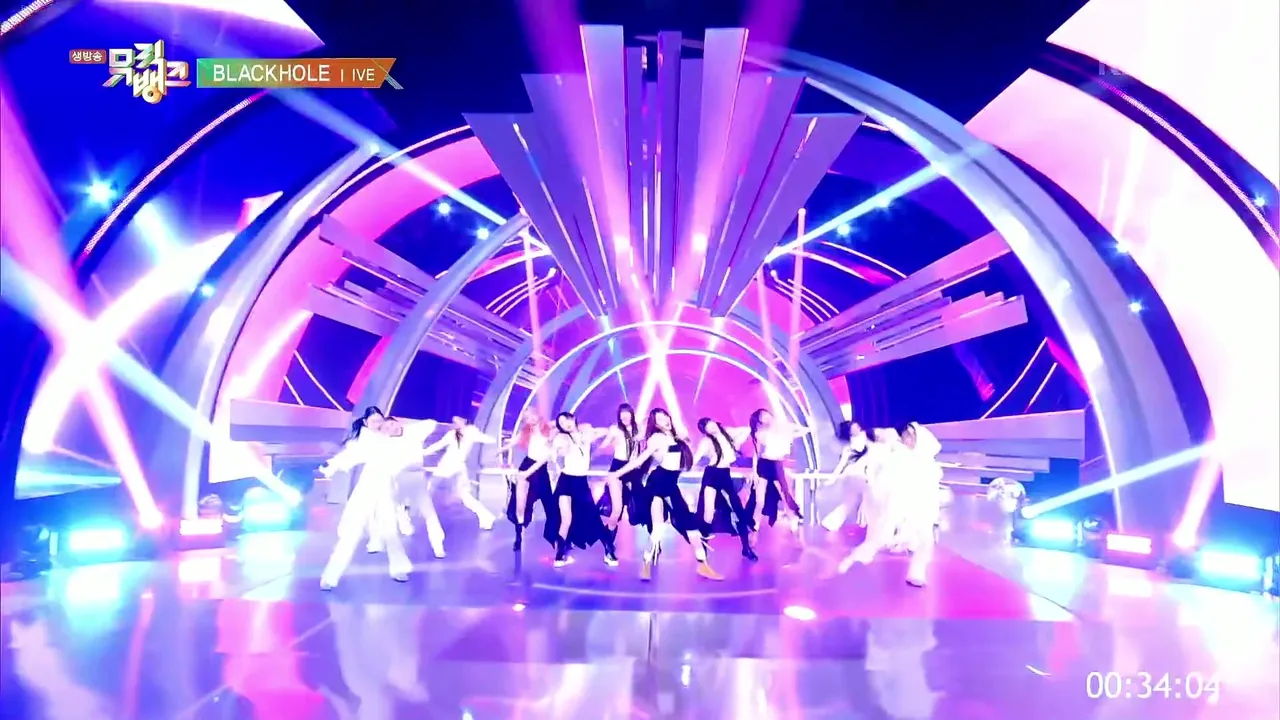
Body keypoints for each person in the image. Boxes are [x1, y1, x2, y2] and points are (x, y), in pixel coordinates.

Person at [317, 415, 439, 588]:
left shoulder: (402, 442)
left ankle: (399, 568)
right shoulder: (370, 443)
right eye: (383, 425)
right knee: (351, 534)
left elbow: (429, 425)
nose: (388, 428)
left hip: (385, 491)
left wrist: (403, 427)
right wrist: (330, 466)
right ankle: (330, 577)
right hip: (365, 491)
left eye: (389, 424)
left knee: (390, 532)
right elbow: (350, 456)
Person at [609, 408, 723, 581]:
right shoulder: (657, 438)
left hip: (671, 486)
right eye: (660, 419)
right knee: (658, 528)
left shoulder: (675, 436)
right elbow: (639, 460)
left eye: (666, 417)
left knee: (690, 525)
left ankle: (703, 565)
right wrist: (616, 474)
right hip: (657, 485)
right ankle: (646, 564)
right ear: (655, 424)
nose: (665, 421)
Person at [838, 423, 943, 587]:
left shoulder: (927, 463)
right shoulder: (897, 454)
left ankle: (917, 573)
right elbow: (884, 480)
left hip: (919, 507)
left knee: (925, 540)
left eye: (910, 436)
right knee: (880, 537)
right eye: (906, 434)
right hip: (898, 503)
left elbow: (930, 490)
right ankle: (854, 558)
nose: (905, 437)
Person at [544, 412, 615, 567]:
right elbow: (557, 451)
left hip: (581, 483)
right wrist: (556, 447)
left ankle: (609, 550)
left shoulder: (586, 432)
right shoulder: (562, 438)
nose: (566, 424)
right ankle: (559, 556)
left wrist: (608, 431)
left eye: (567, 420)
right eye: (562, 423)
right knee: (566, 519)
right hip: (565, 481)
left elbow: (602, 432)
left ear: (573, 418)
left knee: (593, 517)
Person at [692, 417, 757, 561]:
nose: (711, 427)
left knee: (738, 510)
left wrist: (736, 443)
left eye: (711, 423)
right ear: (705, 431)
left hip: (725, 475)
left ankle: (746, 548)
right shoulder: (707, 442)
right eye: (706, 427)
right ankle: (704, 545)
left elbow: (746, 430)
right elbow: (696, 457)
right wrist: (686, 465)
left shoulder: (728, 434)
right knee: (708, 513)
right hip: (712, 475)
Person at [422, 416, 498, 531]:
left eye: (457, 420)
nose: (455, 422)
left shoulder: (471, 432)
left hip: (456, 468)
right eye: (453, 421)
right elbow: (439, 445)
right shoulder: (452, 434)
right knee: (430, 488)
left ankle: (486, 516)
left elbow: (488, 439)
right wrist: (423, 452)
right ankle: (486, 516)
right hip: (446, 466)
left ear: (464, 420)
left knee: (463, 495)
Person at [746, 408, 811, 532]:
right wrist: (754, 472)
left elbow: (802, 431)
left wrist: (791, 427)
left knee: (784, 494)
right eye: (763, 417)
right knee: (760, 499)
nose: (767, 417)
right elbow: (756, 454)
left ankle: (793, 519)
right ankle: (755, 522)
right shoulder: (761, 433)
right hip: (764, 464)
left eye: (767, 414)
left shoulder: (783, 429)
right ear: (759, 421)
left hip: (777, 465)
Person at [504, 411, 557, 552]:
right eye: (526, 418)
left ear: (537, 414)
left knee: (549, 502)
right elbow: (513, 442)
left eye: (531, 415)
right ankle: (518, 537)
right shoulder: (526, 431)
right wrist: (500, 450)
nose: (530, 419)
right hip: (527, 465)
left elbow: (548, 453)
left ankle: (558, 536)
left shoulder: (550, 428)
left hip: (540, 469)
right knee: (520, 503)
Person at [598, 403, 647, 545]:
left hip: (634, 469)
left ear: (632, 414)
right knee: (617, 509)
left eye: (627, 413)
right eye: (622, 414)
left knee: (640, 505)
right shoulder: (615, 429)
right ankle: (608, 543)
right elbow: (604, 447)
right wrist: (609, 443)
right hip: (618, 467)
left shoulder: (639, 428)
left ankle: (655, 542)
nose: (625, 416)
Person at [820, 420, 872, 532]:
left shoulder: (868, 446)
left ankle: (833, 523)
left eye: (857, 427)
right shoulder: (849, 449)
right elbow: (841, 466)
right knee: (851, 502)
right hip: (853, 478)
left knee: (859, 502)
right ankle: (831, 523)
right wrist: (832, 479)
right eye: (853, 428)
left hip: (863, 478)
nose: (856, 429)